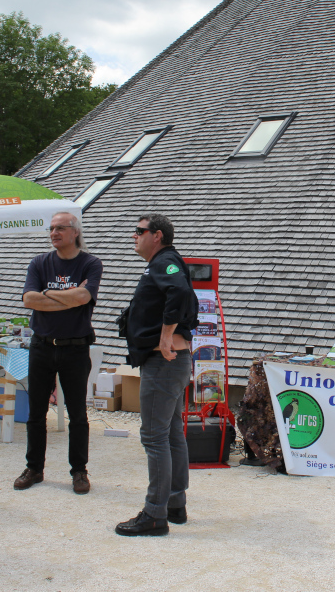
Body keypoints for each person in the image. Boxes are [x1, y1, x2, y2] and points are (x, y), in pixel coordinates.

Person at [116, 213, 198, 537]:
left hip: (163, 363)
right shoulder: (163, 262)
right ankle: (174, 504)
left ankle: (154, 514)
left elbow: (178, 293)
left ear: (157, 235)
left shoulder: (165, 262)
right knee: (172, 433)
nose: (133, 236)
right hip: (172, 363)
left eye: (139, 231)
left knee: (154, 436)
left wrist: (165, 335)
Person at [15, 212, 103, 495]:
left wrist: (48, 295)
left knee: (77, 414)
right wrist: (70, 297)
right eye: (51, 228)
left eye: (60, 228)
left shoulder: (90, 263)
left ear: (75, 232)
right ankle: (34, 467)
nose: (53, 233)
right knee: (36, 412)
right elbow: (29, 299)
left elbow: (84, 298)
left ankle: (79, 471)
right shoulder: (39, 262)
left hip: (76, 348)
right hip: (41, 346)